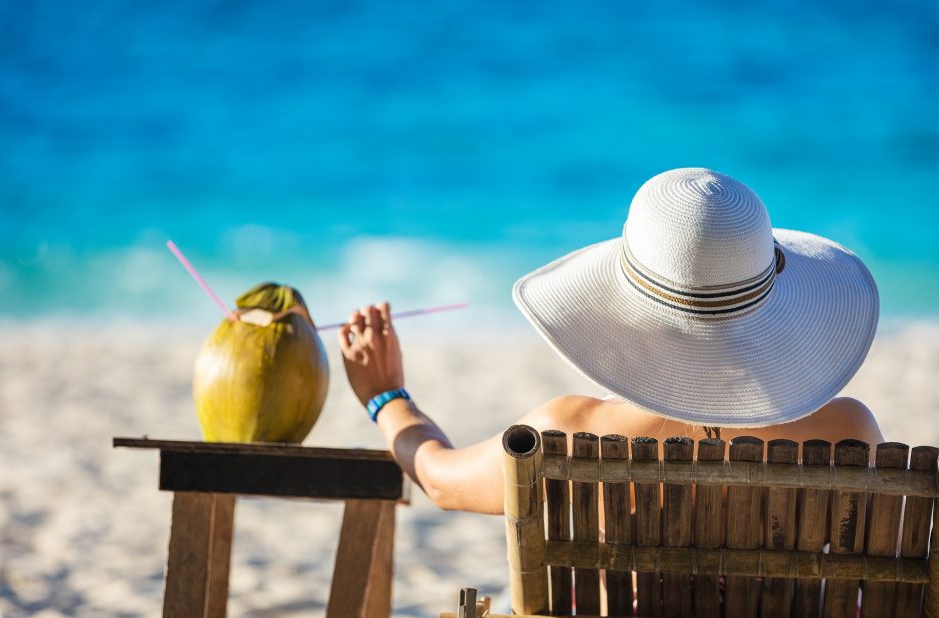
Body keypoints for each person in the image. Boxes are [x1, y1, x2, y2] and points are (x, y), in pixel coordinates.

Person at [339, 168, 883, 515]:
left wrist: (386, 398)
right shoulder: (846, 434)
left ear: (622, 302)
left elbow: (439, 478)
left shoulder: (567, 434)